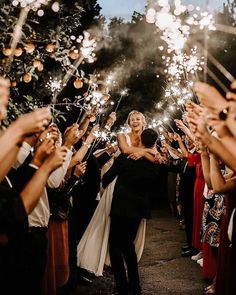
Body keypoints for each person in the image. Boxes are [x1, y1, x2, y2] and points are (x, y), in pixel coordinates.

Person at [102, 128, 161, 295]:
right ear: (154, 143)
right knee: (128, 246)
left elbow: (107, 177)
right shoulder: (154, 162)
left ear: (139, 139)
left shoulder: (126, 157)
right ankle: (135, 286)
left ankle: (122, 285)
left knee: (115, 246)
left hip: (121, 207)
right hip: (138, 208)